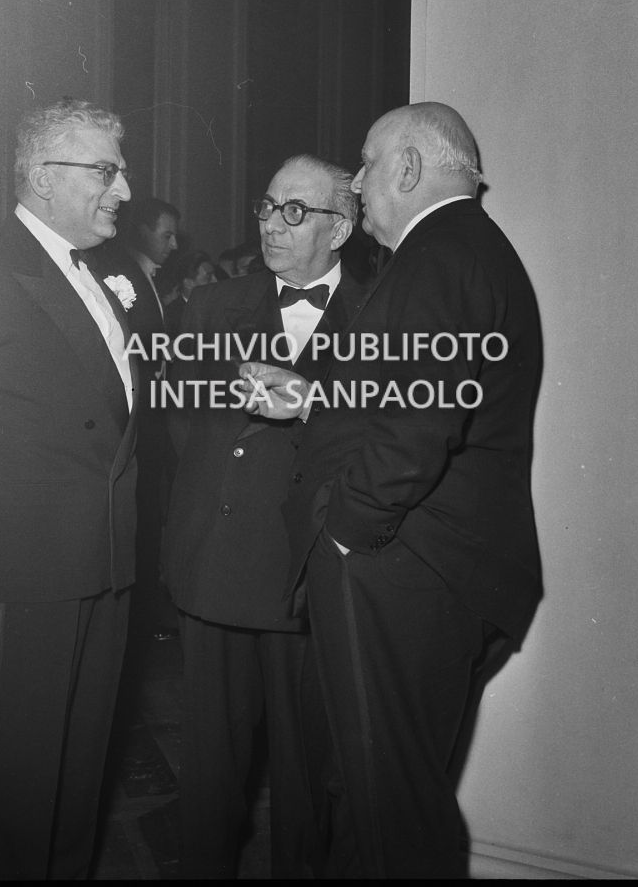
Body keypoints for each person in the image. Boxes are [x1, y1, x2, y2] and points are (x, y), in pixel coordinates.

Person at [241, 103, 543, 878]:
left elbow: (418, 430)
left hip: (402, 570)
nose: (359, 180)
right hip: (430, 570)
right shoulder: (464, 252)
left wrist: (346, 531)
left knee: (392, 822)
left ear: (408, 169)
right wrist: (312, 396)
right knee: (381, 800)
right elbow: (403, 399)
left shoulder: (436, 257)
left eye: (367, 165)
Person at [0, 98, 139, 879]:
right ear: (44, 178)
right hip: (20, 587)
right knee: (6, 817)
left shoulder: (111, 275)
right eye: (107, 170)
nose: (125, 189)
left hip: (104, 575)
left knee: (74, 802)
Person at [160, 154, 367, 878]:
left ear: (340, 227)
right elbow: (182, 422)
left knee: (308, 779)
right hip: (216, 563)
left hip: (308, 578)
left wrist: (310, 403)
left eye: (295, 211)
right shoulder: (216, 304)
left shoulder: (379, 312)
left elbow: (389, 433)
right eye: (267, 206)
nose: (271, 225)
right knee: (211, 776)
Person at [95, 197, 182, 643]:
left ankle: (147, 612)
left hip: (155, 418)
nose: (172, 243)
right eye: (165, 233)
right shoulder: (119, 273)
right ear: (142, 231)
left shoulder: (149, 278)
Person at [163, 247, 218, 336]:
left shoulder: (218, 309)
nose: (216, 281)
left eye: (214, 275)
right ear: (188, 283)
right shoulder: (171, 317)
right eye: (208, 277)